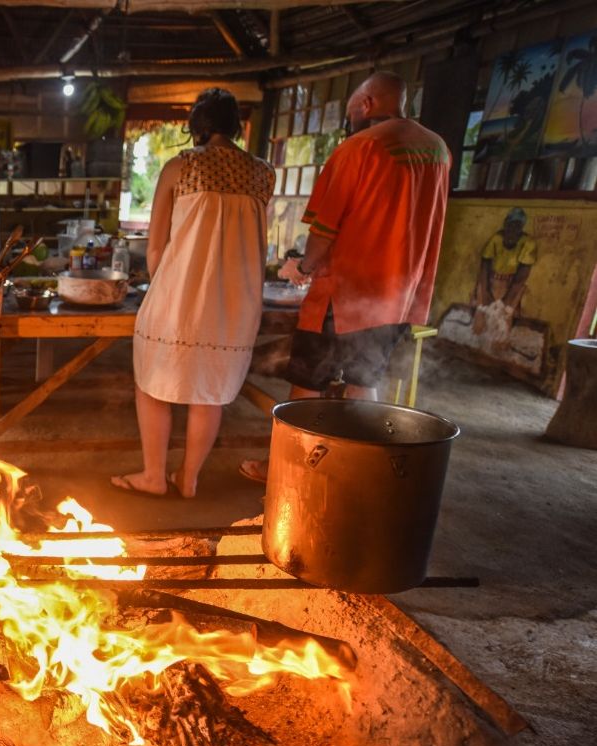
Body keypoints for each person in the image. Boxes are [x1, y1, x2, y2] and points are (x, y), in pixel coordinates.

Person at [240, 71, 450, 483]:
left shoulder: (359, 147)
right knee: (363, 379)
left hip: (347, 296)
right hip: (402, 295)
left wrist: (300, 268)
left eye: (351, 107)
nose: (349, 117)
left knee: (307, 381)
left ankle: (284, 472)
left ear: (368, 103)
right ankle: (364, 471)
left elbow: (323, 234)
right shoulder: (437, 149)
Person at [110, 88, 275, 498]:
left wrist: (160, 286)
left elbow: (154, 246)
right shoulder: (262, 173)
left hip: (179, 296)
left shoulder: (180, 167)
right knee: (210, 392)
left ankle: (153, 476)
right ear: (236, 125)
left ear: (195, 127)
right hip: (237, 301)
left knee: (151, 384)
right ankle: (188, 478)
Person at [472, 206, 535, 335]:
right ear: (505, 225)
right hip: (491, 281)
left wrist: (506, 302)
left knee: (504, 316)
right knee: (481, 313)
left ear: (521, 228)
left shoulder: (528, 243)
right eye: (510, 225)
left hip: (512, 284)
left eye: (517, 226)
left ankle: (500, 344)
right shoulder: (497, 239)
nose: (512, 230)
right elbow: (485, 266)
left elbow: (522, 276)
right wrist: (485, 292)